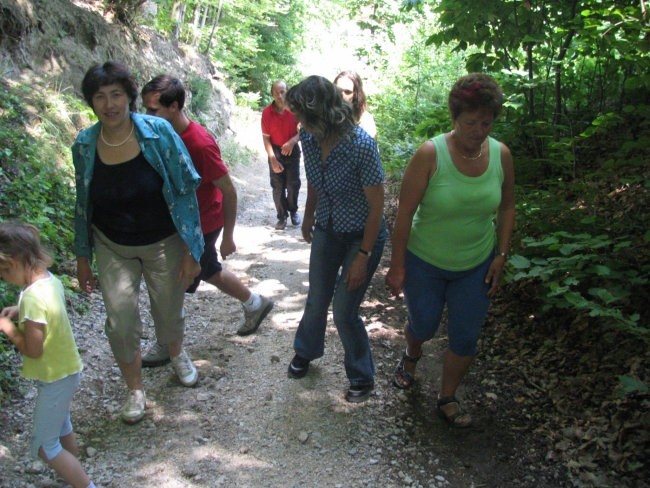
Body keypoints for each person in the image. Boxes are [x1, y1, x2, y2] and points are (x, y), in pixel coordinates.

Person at [73, 61, 205, 425]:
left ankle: (176, 352)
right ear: (91, 102)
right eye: (100, 96)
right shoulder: (85, 144)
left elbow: (185, 188)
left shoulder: (158, 132)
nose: (109, 103)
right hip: (111, 242)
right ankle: (135, 389)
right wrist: (82, 254)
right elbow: (83, 202)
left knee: (167, 309)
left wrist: (194, 250)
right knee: (121, 321)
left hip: (164, 240)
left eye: (116, 94)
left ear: (129, 97)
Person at [385, 73, 515, 427]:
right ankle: (412, 354)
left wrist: (501, 254)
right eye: (470, 122)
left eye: (486, 122)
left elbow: (506, 207)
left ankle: (447, 396)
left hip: (477, 262)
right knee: (423, 323)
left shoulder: (501, 155)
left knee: (466, 335)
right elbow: (405, 214)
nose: (478, 129)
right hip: (425, 260)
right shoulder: (430, 154)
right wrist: (397, 266)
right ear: (455, 118)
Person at [140, 75, 273, 358]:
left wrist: (229, 237)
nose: (146, 116)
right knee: (206, 270)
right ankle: (254, 303)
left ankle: (167, 344)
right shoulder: (162, 136)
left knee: (176, 279)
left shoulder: (199, 143)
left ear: (174, 106)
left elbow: (229, 191)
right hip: (182, 222)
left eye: (153, 110)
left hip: (202, 224)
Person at [285, 75, 386, 403]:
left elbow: (376, 206)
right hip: (328, 229)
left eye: (301, 114)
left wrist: (363, 256)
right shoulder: (308, 138)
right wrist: (310, 214)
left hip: (361, 235)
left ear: (320, 112)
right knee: (317, 298)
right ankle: (306, 351)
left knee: (344, 310)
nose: (297, 121)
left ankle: (361, 375)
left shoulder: (360, 144)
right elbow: (315, 181)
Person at [0, 222, 96, 488]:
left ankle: (86, 485)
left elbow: (33, 349)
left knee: (46, 446)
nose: (3, 278)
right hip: (66, 370)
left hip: (55, 377)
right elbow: (43, 310)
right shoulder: (48, 280)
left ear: (17, 261)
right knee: (62, 427)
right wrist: (19, 311)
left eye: (4, 271)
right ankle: (72, 474)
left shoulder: (32, 299)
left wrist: (8, 329)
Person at [261, 80, 302, 230]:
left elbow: (303, 131)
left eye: (283, 91)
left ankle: (293, 211)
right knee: (277, 187)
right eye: (276, 92)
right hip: (276, 150)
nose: (280, 95)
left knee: (293, 185)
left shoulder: (295, 110)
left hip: (293, 150)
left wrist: (293, 141)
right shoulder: (267, 112)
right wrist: (272, 159)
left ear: (287, 92)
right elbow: (266, 138)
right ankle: (282, 216)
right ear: (272, 94)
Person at [334, 71, 377, 139]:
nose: (341, 95)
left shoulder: (366, 121)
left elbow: (369, 147)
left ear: (356, 95)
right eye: (338, 90)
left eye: (347, 92)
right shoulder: (327, 116)